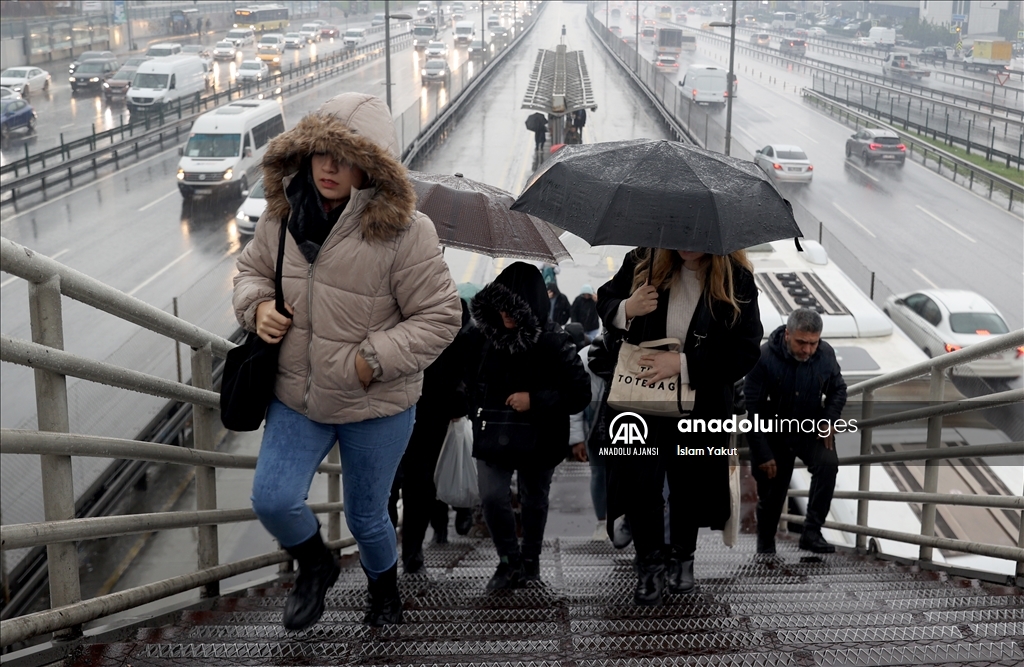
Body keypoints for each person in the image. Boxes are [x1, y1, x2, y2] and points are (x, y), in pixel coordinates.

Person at [233, 93, 463, 630]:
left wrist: (373, 359)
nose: (330, 167)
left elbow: (441, 317)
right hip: (299, 395)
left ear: (372, 164)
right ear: (305, 154)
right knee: (272, 498)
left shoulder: (407, 231)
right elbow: (250, 273)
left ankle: (385, 592)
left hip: (376, 403)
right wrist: (257, 305)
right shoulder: (281, 216)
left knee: (367, 516)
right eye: (320, 153)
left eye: (345, 156)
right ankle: (316, 564)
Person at [597, 247, 762, 606]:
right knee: (641, 485)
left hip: (701, 406)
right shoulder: (643, 258)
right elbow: (607, 300)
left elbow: (746, 351)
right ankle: (649, 565)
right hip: (644, 399)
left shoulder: (738, 281)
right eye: (680, 233)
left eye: (698, 237)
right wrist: (627, 308)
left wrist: (685, 363)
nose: (687, 244)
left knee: (690, 485)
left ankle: (683, 559)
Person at [464, 263, 591, 590]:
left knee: (535, 498)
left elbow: (579, 394)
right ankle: (509, 560)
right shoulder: (482, 337)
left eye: (515, 305)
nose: (506, 313)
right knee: (492, 496)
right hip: (494, 433)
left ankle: (530, 561)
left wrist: (535, 399)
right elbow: (464, 378)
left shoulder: (553, 341)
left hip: (541, 434)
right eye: (501, 304)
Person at [744, 308, 847, 555]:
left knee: (828, 466)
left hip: (808, 429)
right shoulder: (764, 357)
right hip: (772, 433)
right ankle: (765, 544)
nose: (807, 350)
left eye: (813, 343)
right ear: (788, 334)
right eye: (801, 342)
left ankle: (812, 533)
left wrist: (829, 420)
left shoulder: (825, 354)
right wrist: (763, 452)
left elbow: (838, 390)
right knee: (773, 492)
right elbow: (753, 411)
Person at [389, 298, 473, 573]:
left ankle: (410, 554)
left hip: (425, 417)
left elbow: (461, 374)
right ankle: (390, 555)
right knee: (393, 490)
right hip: (391, 413)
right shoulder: (388, 313)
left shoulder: (448, 319)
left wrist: (456, 400)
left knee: (417, 487)